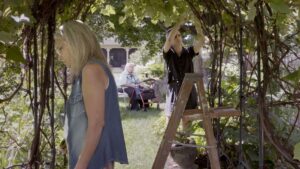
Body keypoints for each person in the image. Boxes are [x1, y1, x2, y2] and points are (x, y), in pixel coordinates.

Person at [55, 20, 128, 169]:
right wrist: (70, 141)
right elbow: (85, 118)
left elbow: (96, 123)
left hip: (94, 161)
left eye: (60, 48)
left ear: (75, 43)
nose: (59, 56)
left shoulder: (91, 70)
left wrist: (80, 165)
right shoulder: (88, 70)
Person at [163, 20, 204, 126]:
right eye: (174, 36)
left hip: (189, 89)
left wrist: (198, 25)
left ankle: (185, 140)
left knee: (187, 119)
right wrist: (180, 22)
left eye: (179, 35)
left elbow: (201, 41)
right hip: (175, 90)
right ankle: (171, 142)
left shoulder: (189, 51)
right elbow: (168, 40)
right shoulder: (168, 54)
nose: (177, 37)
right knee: (171, 119)